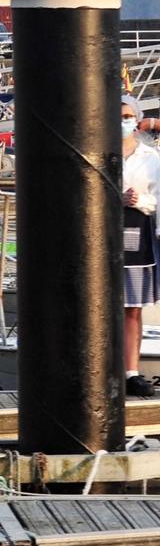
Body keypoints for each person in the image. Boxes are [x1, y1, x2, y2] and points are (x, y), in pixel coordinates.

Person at [122, 96, 160, 396]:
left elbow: (156, 201)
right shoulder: (96, 151)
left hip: (136, 232)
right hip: (99, 231)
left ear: (136, 119)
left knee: (132, 308)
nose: (122, 121)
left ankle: (131, 372)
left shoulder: (151, 157)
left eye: (126, 115)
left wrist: (139, 200)